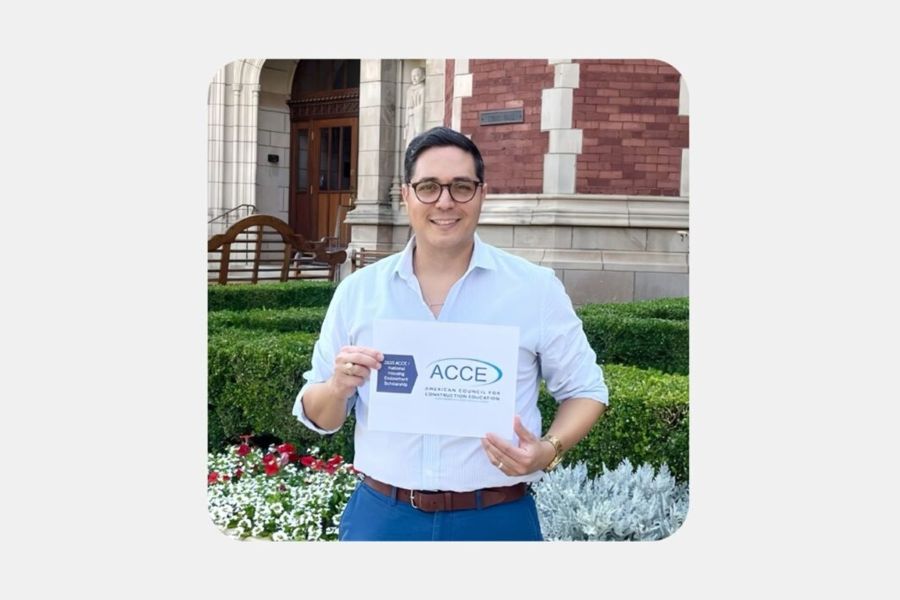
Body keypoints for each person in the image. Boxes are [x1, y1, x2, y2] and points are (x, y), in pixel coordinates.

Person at [292, 126, 608, 541]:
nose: (444, 201)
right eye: (428, 187)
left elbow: (587, 390)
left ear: (481, 194)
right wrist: (336, 387)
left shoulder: (535, 289)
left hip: (496, 519)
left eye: (461, 186)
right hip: (382, 518)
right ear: (406, 195)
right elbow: (320, 416)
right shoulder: (359, 291)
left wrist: (548, 451)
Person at [404, 67, 425, 148]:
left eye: (416, 75)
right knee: (410, 140)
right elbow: (407, 107)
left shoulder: (422, 89)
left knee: (417, 138)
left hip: (417, 118)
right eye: (412, 75)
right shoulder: (409, 90)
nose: (414, 78)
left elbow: (422, 105)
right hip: (410, 120)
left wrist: (413, 111)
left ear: (423, 77)